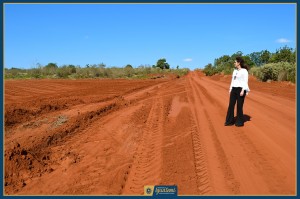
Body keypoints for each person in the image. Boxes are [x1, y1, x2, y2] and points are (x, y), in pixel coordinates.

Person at [224, 56, 250, 127]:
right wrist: (230, 89)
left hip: (241, 89)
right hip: (234, 89)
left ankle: (239, 122)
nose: (234, 63)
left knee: (239, 106)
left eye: (235, 62)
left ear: (239, 63)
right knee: (231, 105)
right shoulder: (234, 71)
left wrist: (243, 90)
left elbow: (245, 81)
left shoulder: (244, 71)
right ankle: (229, 121)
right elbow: (233, 81)